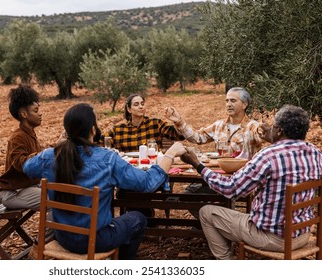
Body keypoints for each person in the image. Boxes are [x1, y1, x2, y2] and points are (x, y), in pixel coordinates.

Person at [23, 103, 187, 260]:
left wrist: (55, 148)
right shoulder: (108, 159)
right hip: (97, 240)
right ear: (93, 129)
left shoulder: (50, 156)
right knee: (139, 218)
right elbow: (147, 184)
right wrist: (170, 154)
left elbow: (27, 168)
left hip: (63, 236)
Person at [180, 104, 322, 260]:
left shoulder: (268, 155)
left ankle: (226, 263)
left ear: (280, 130)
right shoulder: (315, 153)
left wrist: (197, 165)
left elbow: (231, 189)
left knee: (206, 212)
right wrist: (274, 140)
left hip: (271, 238)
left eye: (274, 127)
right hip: (302, 235)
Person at [165, 87, 271, 159]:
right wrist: (179, 121)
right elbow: (197, 137)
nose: (228, 104)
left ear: (244, 105)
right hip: (220, 177)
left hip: (242, 180)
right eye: (227, 101)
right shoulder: (219, 125)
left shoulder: (252, 127)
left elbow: (265, 136)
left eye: (233, 101)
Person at [0, 85, 42, 211]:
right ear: (24, 114)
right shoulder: (17, 137)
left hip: (28, 188)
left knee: (64, 193)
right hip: (13, 193)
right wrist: (44, 155)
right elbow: (20, 163)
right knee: (56, 201)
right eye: (35, 110)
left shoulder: (29, 134)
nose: (40, 113)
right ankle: (52, 231)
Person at [105, 93, 184, 152]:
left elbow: (178, 136)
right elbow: (101, 143)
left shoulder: (156, 124)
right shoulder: (118, 129)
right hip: (126, 169)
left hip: (151, 168)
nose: (141, 106)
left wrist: (178, 122)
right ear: (129, 109)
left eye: (142, 104)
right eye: (136, 104)